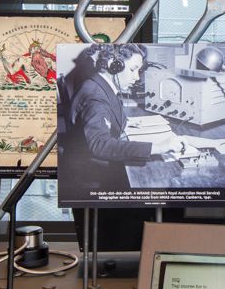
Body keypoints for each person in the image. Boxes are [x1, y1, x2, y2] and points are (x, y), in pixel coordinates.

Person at [59, 43, 181, 195]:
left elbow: (106, 114)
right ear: (113, 65)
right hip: (90, 176)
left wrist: (127, 122)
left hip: (84, 163)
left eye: (138, 70)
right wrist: (159, 147)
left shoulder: (100, 84)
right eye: (133, 69)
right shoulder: (96, 98)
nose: (137, 77)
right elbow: (100, 145)